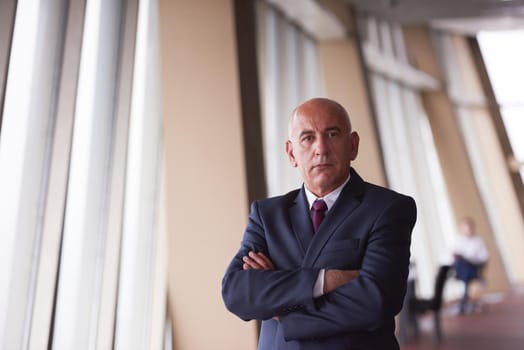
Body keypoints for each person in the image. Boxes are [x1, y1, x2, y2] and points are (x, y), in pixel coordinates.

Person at [221, 97, 417, 349]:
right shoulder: (267, 215)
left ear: (353, 145)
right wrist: (326, 280)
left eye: (332, 134)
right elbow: (237, 293)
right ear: (292, 153)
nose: (321, 148)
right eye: (308, 138)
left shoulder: (387, 208)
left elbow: (375, 301)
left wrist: (285, 311)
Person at [452, 217, 488, 314]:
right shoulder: (458, 241)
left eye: (470, 228)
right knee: (459, 260)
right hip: (461, 267)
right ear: (462, 229)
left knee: (464, 265)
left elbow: (484, 258)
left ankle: (464, 300)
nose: (468, 230)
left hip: (473, 267)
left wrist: (470, 259)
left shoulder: (479, 241)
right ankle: (465, 298)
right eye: (466, 228)